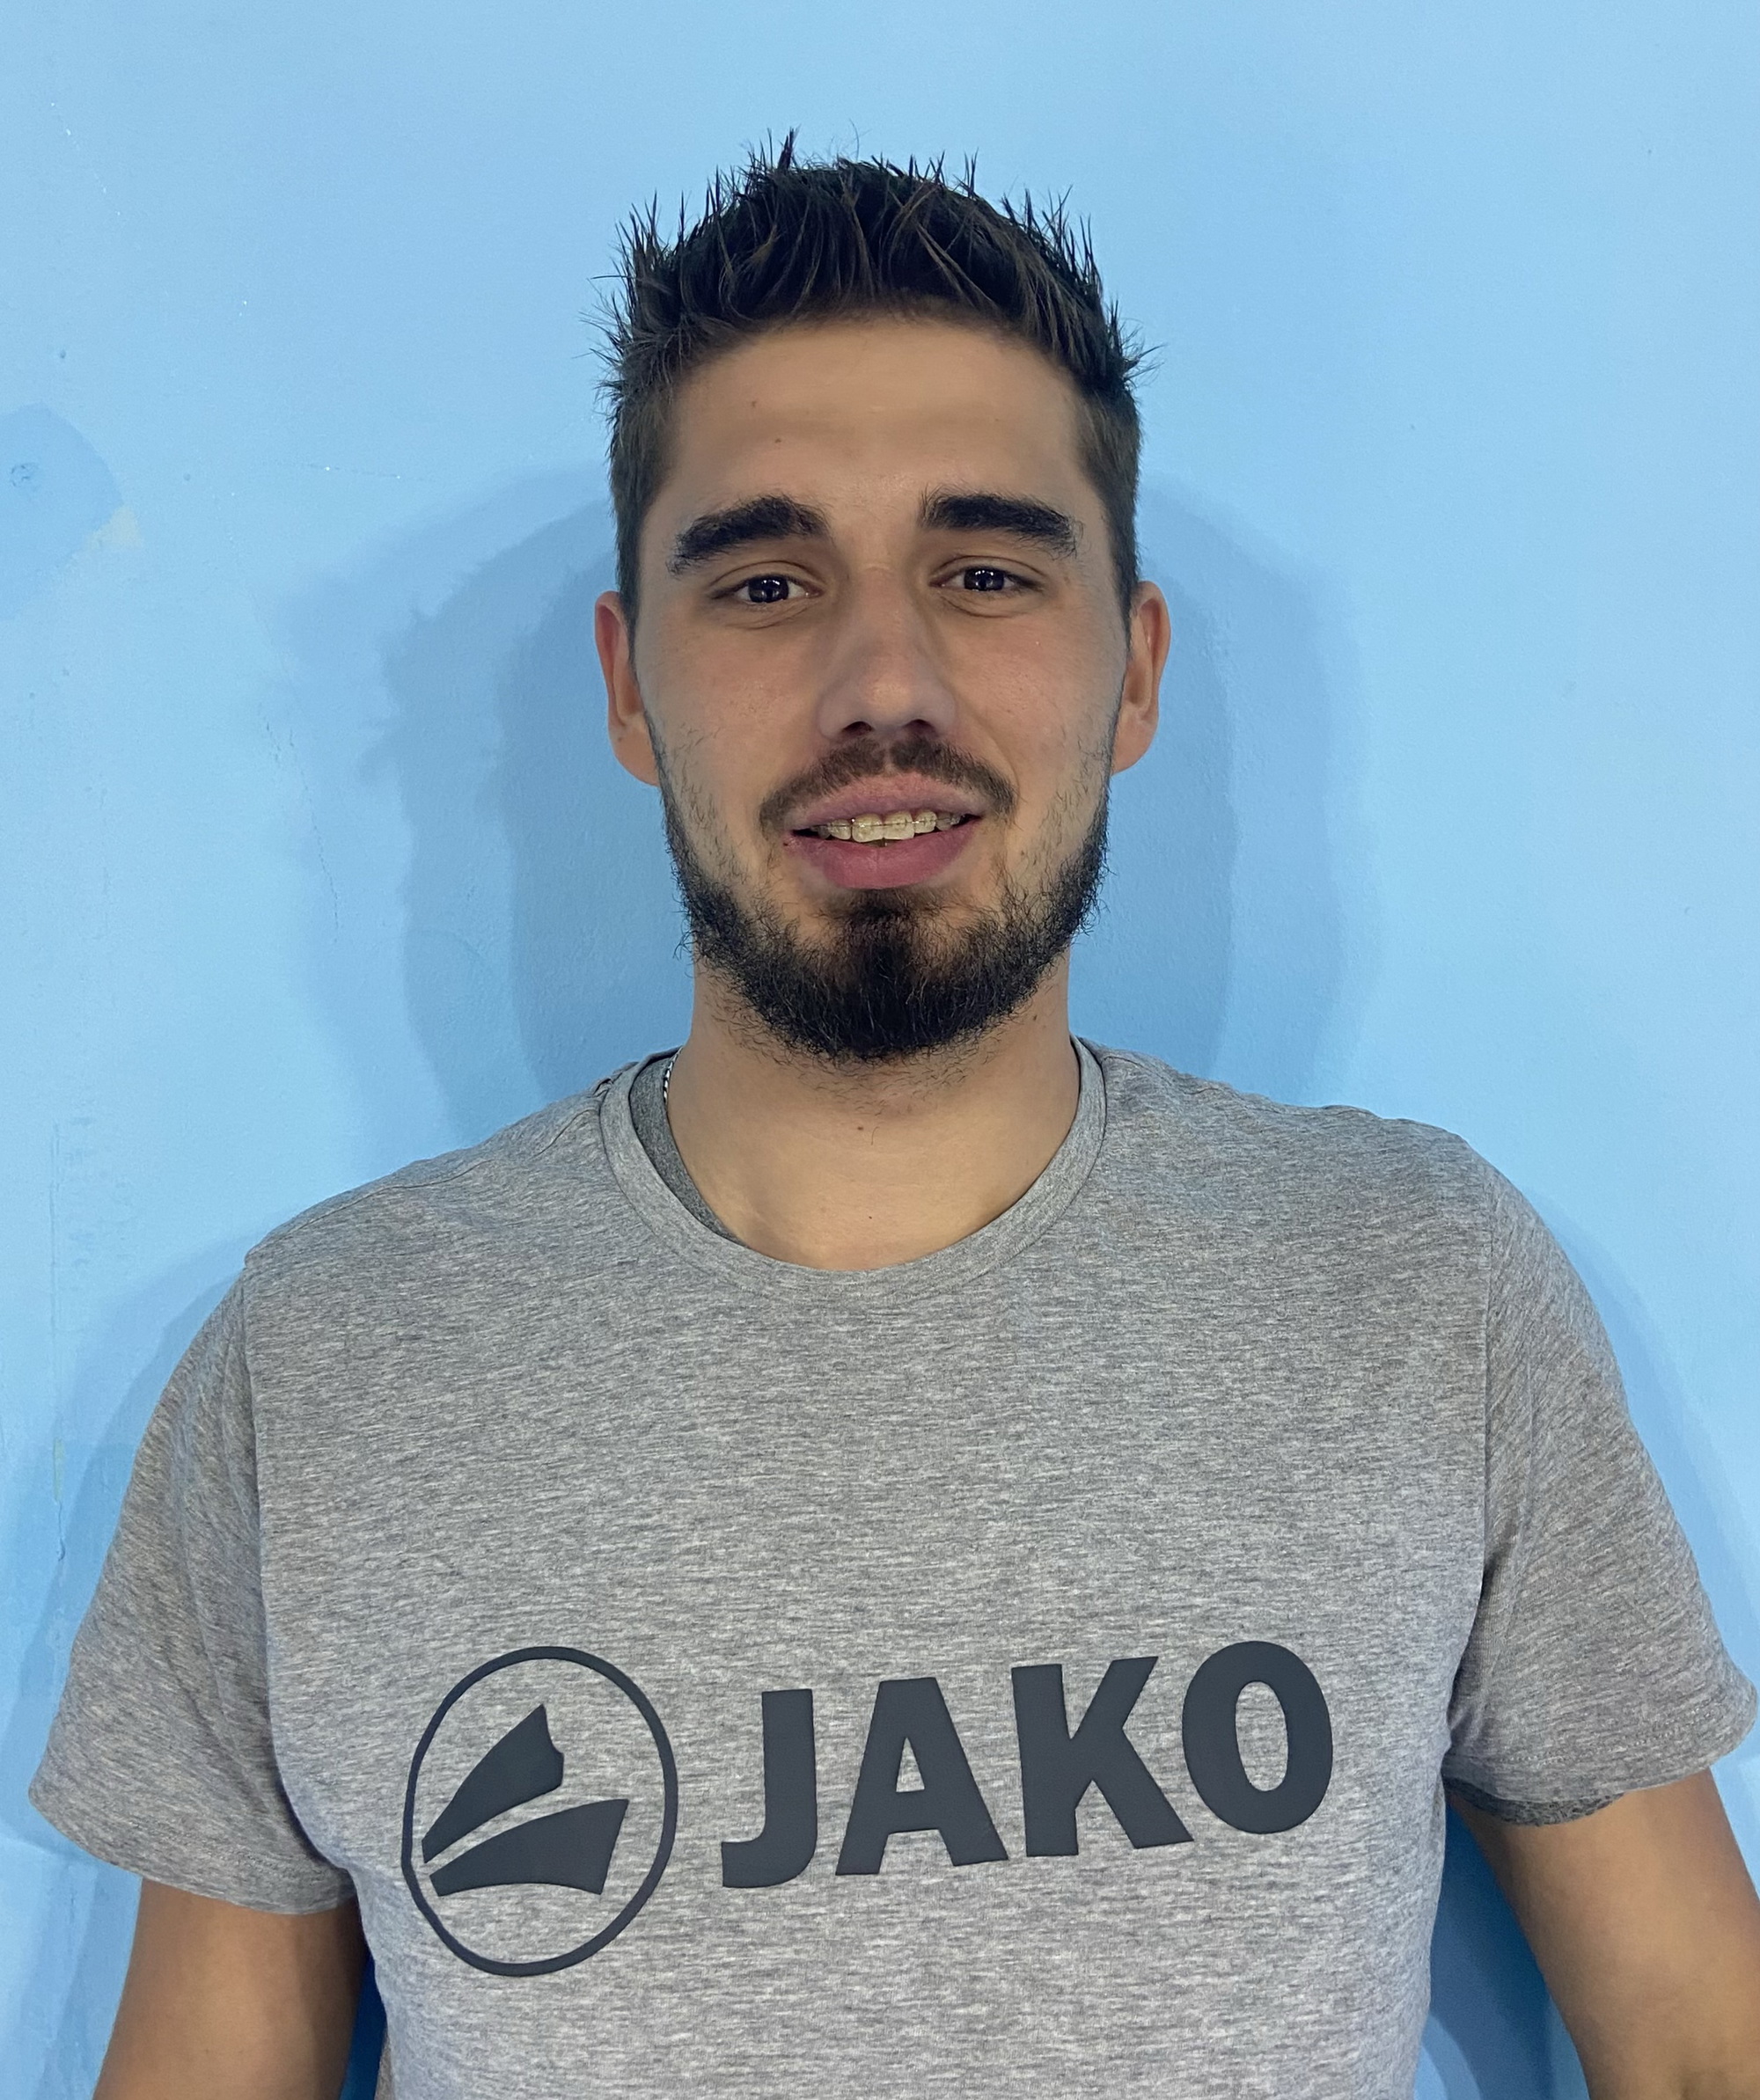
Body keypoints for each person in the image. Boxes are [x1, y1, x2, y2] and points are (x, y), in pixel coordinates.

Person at [32, 145, 1760, 2100]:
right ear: (628, 686)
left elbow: (1700, 2041)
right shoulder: (325, 1361)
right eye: (765, 583)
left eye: (987, 571)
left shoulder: (1415, 1284)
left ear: (1134, 671)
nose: (882, 685)